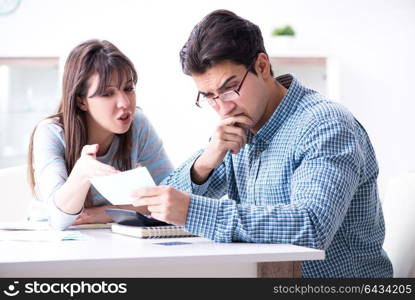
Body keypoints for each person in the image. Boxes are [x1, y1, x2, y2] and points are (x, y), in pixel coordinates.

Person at [131, 10, 393, 277]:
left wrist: (193, 210)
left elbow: (311, 226)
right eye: (209, 96)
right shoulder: (237, 128)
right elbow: (162, 208)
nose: (222, 108)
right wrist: (206, 161)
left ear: (262, 66)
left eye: (230, 88)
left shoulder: (326, 125)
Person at [28, 39, 173, 230]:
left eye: (128, 89)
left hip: (110, 236)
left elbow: (170, 198)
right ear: (81, 101)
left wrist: (105, 213)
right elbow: (60, 219)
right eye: (107, 94)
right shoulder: (51, 132)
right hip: (50, 239)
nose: (124, 103)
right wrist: (82, 173)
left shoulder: (138, 123)